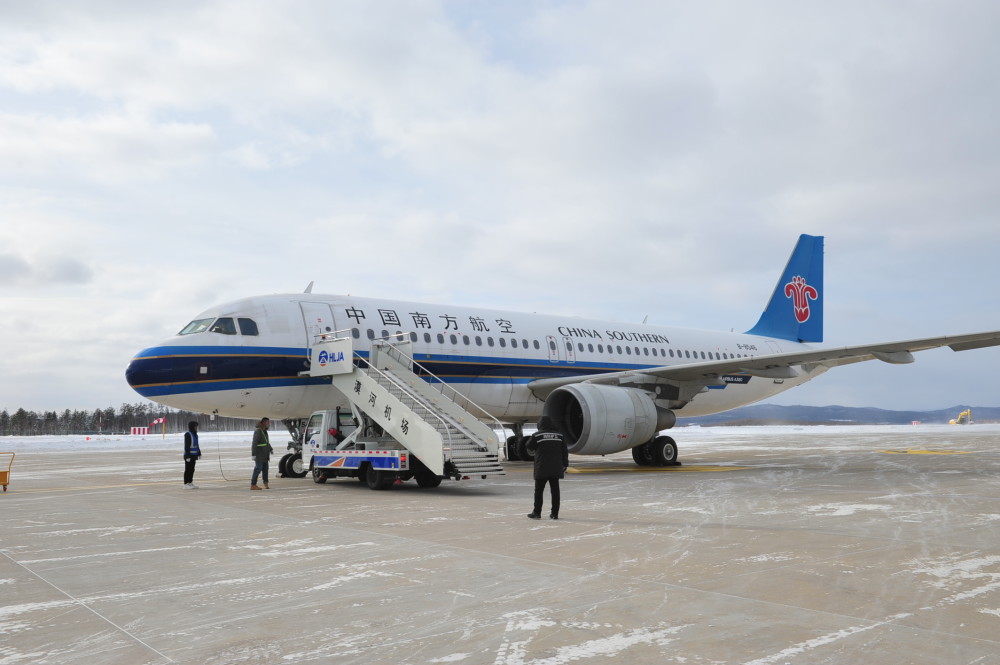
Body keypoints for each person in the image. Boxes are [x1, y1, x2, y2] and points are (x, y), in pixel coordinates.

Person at [526, 416, 569, 520]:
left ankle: (537, 513)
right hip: (555, 467)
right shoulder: (559, 436)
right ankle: (555, 514)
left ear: (540, 424)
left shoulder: (538, 435)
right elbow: (564, 452)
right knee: (555, 492)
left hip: (542, 467)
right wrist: (565, 464)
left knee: (539, 491)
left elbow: (529, 446)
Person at [250, 417, 274, 490]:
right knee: (258, 469)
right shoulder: (258, 431)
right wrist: (253, 454)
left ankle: (265, 483)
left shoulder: (264, 431)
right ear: (263, 423)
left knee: (265, 469)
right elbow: (254, 443)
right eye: (267, 423)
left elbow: (266, 442)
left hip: (265, 454)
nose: (268, 424)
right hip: (259, 454)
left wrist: (270, 448)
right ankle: (253, 484)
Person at [183, 420, 201, 489]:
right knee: (187, 469)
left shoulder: (195, 434)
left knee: (192, 469)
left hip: (194, 456)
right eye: (195, 426)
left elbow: (196, 445)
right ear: (192, 427)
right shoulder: (188, 434)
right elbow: (187, 446)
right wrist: (187, 456)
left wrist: (199, 453)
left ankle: (190, 482)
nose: (196, 428)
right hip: (189, 456)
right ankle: (186, 483)